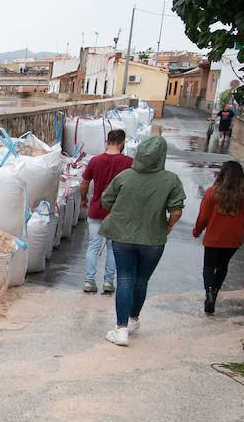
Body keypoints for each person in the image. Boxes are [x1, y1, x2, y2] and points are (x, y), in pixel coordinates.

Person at [99, 134, 186, 346]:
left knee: (124, 279)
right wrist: (168, 225)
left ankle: (121, 330)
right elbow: (176, 211)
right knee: (141, 280)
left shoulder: (125, 176)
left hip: (122, 236)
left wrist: (124, 209)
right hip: (153, 239)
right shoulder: (171, 180)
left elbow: (106, 200)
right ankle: (133, 319)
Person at [191, 160, 244, 314]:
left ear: (222, 174)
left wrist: (197, 230)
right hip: (233, 240)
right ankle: (215, 293)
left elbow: (203, 216)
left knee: (209, 266)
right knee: (223, 266)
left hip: (213, 238)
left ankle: (209, 293)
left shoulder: (212, 192)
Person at [80, 129, 133, 294]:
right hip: (117, 213)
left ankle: (89, 281)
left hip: (96, 210)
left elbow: (84, 183)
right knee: (112, 248)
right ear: (123, 143)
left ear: (107, 142)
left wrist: (83, 199)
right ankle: (108, 282)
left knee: (93, 246)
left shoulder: (95, 161)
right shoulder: (129, 162)